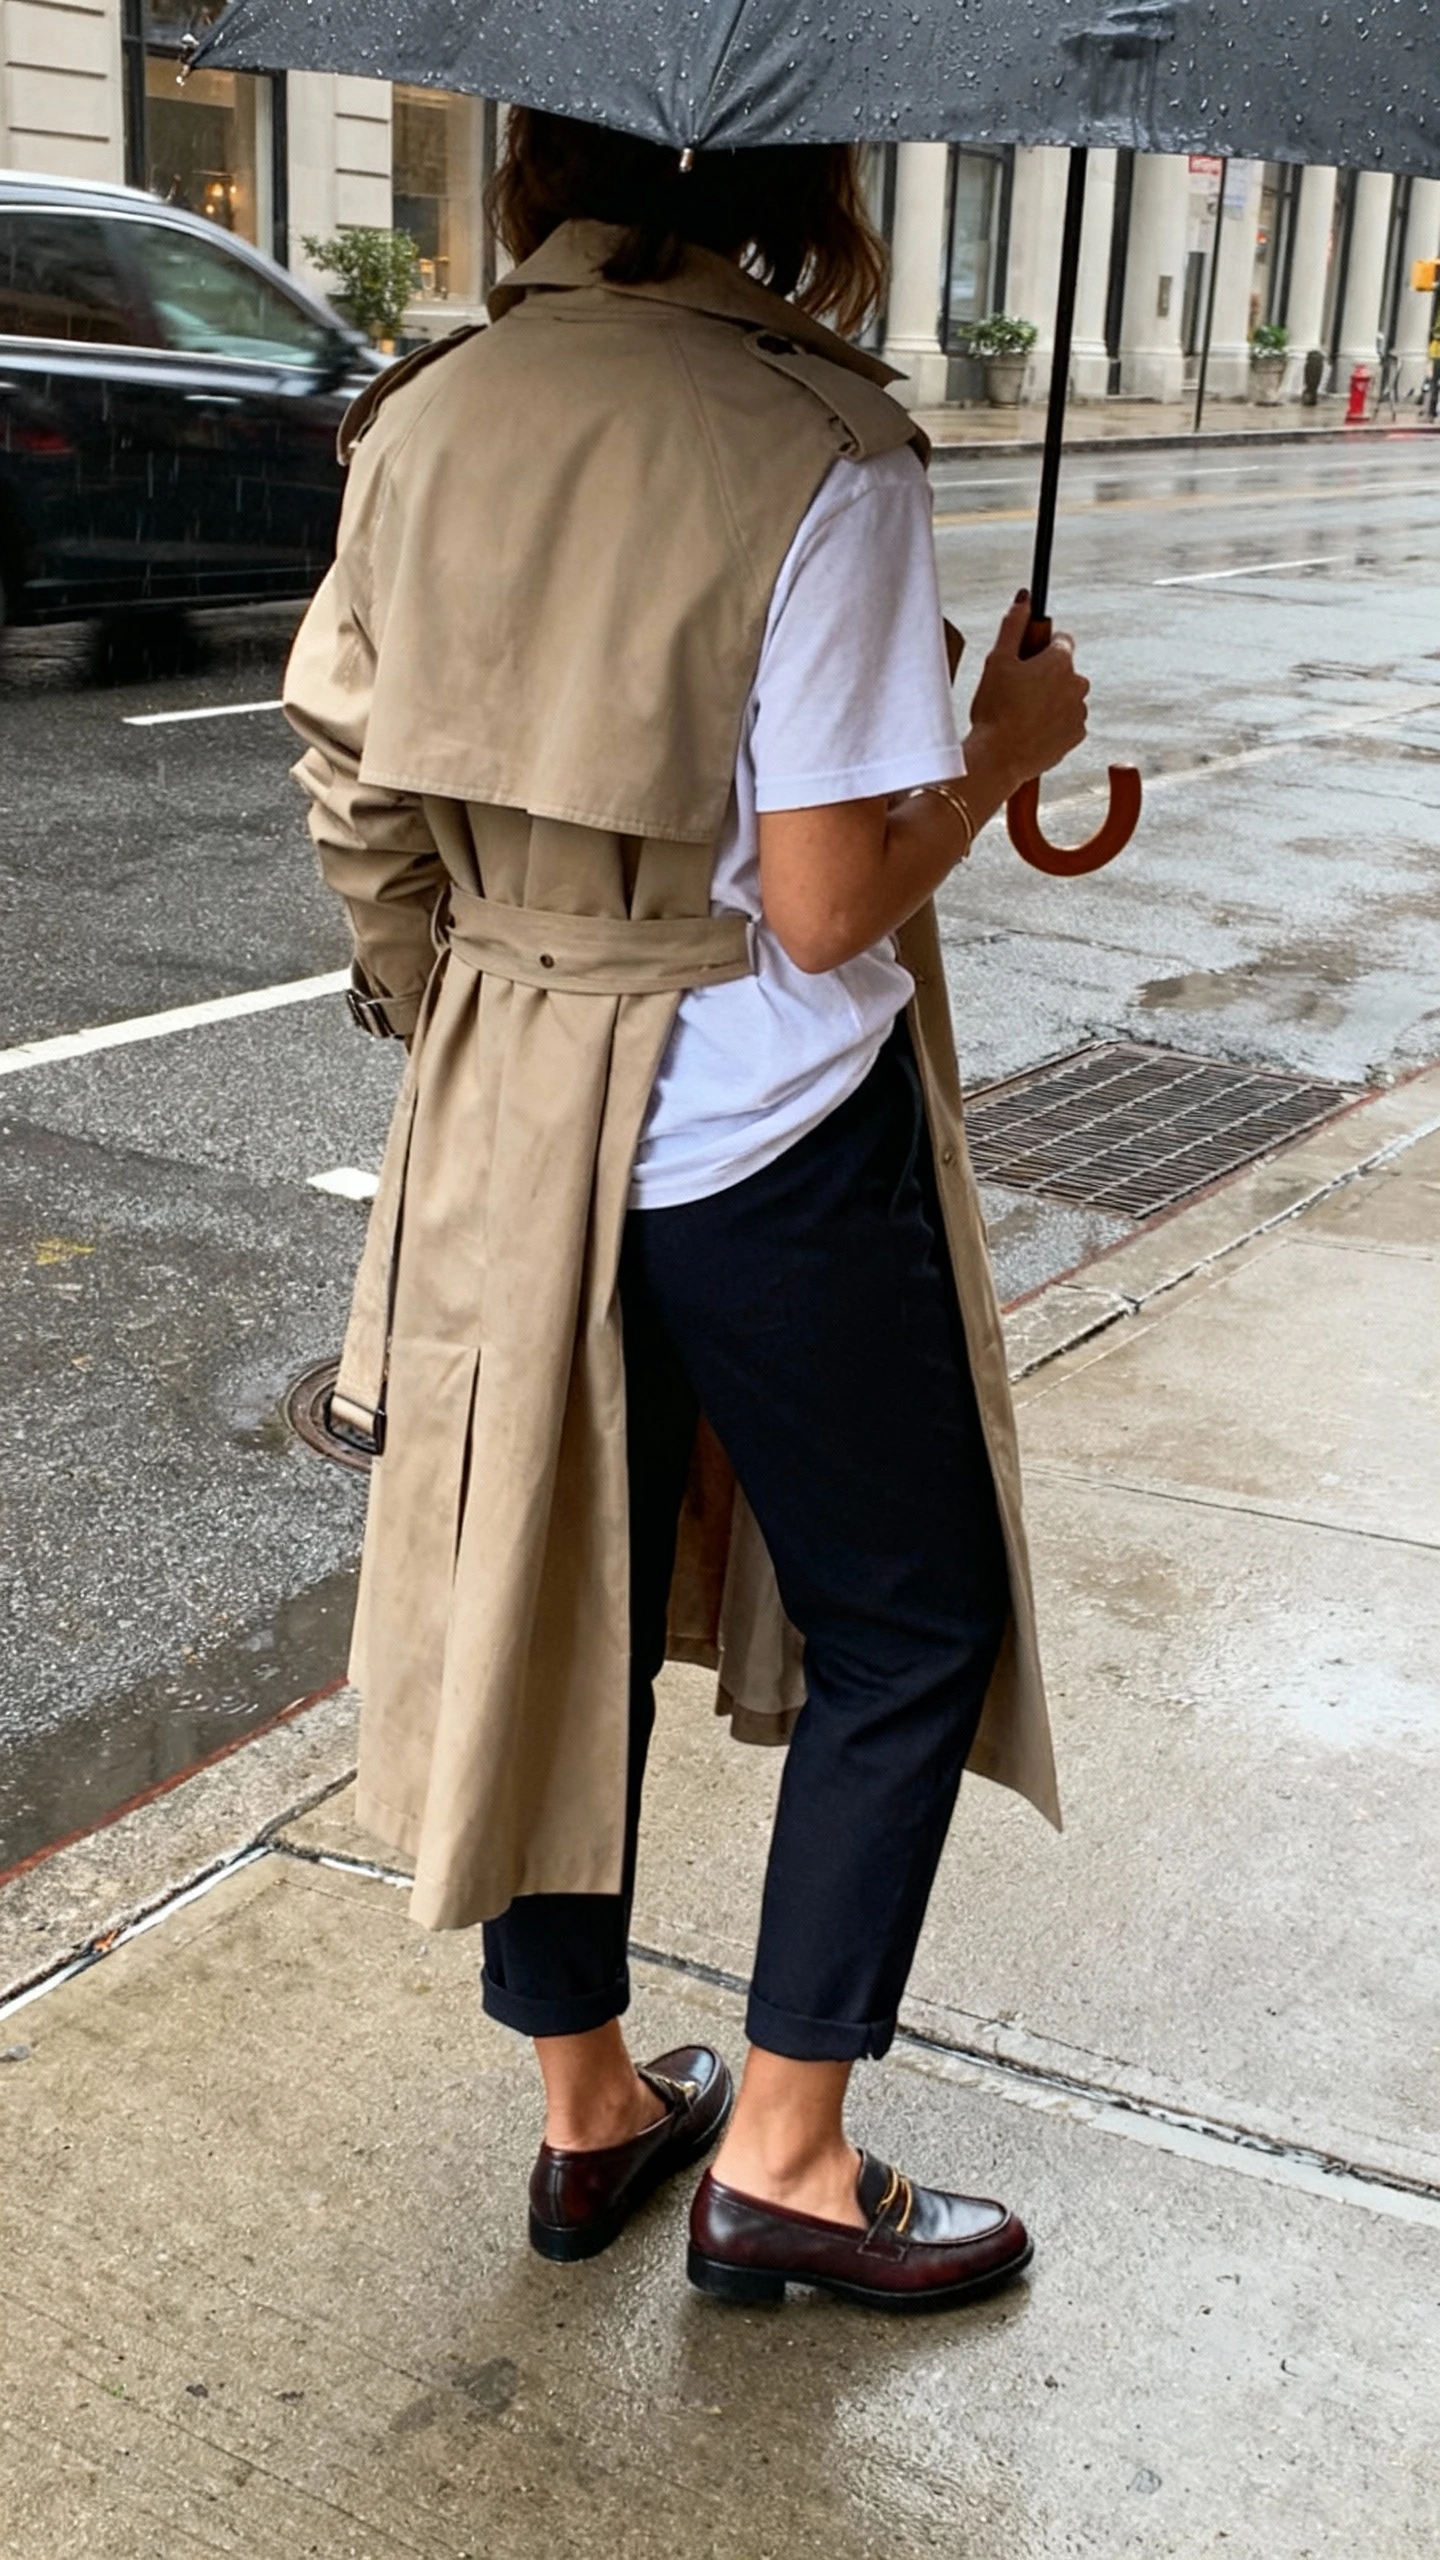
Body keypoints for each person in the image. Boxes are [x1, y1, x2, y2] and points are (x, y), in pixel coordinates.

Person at [284, 111, 1088, 2314]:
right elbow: (821, 907)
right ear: (802, 182)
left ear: (548, 156)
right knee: (915, 1615)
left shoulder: (427, 414)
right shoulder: (823, 449)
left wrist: (471, 1016)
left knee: (557, 1589)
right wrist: (997, 753)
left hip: (511, 1116)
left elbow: (352, 786)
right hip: (764, 1128)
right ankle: (788, 2160)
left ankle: (589, 2111)